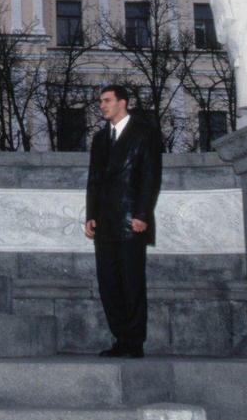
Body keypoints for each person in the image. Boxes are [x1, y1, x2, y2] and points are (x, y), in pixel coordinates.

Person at [84, 84, 162, 358]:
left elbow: (151, 177)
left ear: (122, 103)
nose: (102, 105)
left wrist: (142, 214)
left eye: (106, 100)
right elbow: (94, 180)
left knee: (131, 283)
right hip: (104, 222)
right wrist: (90, 215)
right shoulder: (100, 139)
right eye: (100, 101)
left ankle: (134, 341)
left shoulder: (144, 134)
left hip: (130, 221)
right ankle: (120, 339)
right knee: (109, 283)